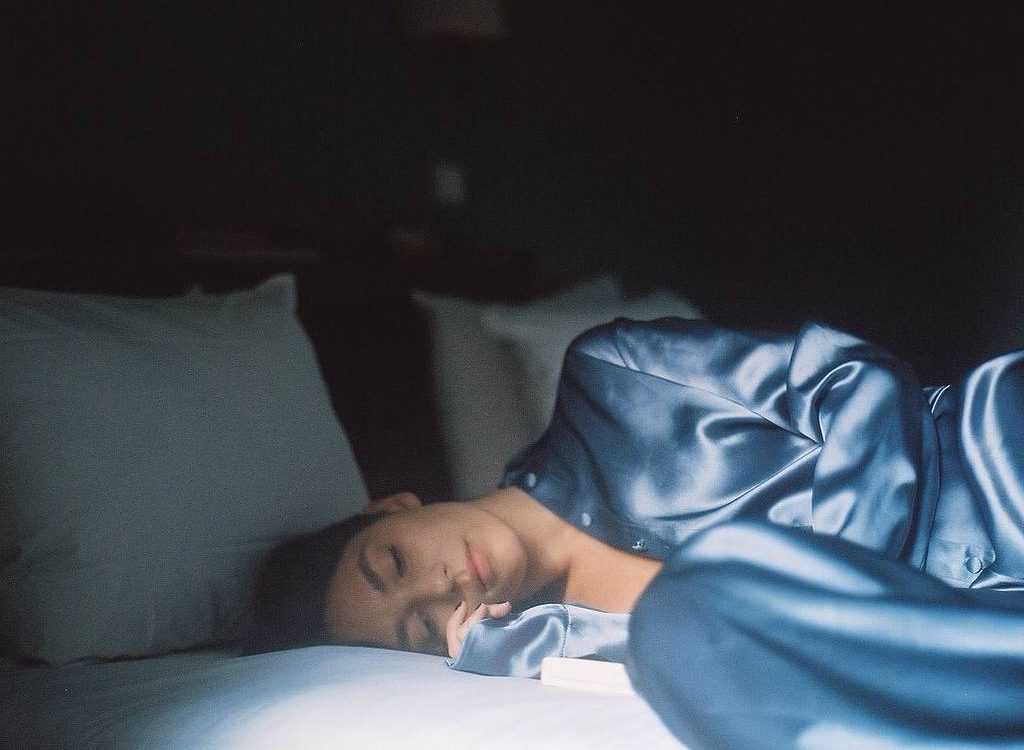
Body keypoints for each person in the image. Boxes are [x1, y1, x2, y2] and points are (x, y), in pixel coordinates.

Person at [248, 317, 1024, 749]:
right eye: (420, 627)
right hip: (990, 618)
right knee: (681, 629)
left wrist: (850, 585)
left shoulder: (610, 376)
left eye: (395, 563)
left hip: (992, 465)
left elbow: (857, 379)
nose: (440, 588)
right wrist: (528, 646)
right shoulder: (565, 643)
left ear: (394, 507)